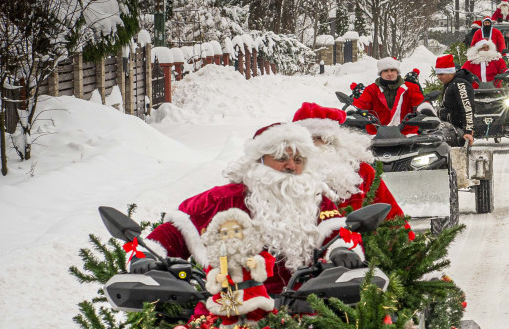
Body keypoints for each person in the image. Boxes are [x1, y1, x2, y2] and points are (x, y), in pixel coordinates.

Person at [145, 123, 362, 299]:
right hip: (234, 311)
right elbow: (176, 230)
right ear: (258, 160)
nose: (290, 166)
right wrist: (147, 255)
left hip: (305, 304)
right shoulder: (224, 199)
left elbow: (336, 233)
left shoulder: (314, 198)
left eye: (298, 160)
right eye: (281, 158)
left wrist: (342, 250)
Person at [291, 101, 412, 239]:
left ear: (332, 141)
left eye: (319, 139)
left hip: (359, 250)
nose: (313, 146)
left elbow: (391, 215)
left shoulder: (361, 172)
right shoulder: (283, 174)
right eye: (307, 140)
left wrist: (410, 249)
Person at [200, 208, 276, 327]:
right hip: (228, 294)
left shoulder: (250, 253)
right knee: (227, 313)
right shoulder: (217, 258)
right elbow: (211, 272)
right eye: (225, 233)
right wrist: (216, 278)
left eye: (236, 230)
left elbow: (268, 264)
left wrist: (257, 263)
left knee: (256, 308)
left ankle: (255, 323)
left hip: (251, 291)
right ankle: (230, 325)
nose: (231, 236)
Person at [353, 57, 433, 135]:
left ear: (397, 72)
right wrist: (353, 111)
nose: (389, 73)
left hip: (407, 135)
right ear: (380, 73)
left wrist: (425, 109)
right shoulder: (371, 90)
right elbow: (361, 104)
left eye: (392, 70)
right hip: (377, 136)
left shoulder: (410, 88)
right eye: (385, 70)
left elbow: (419, 101)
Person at [433, 54, 475, 147]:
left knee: (437, 138)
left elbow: (467, 108)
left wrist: (468, 131)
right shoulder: (449, 83)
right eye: (437, 74)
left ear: (450, 72)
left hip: (457, 129)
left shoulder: (459, 84)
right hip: (449, 125)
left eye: (441, 74)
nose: (439, 77)